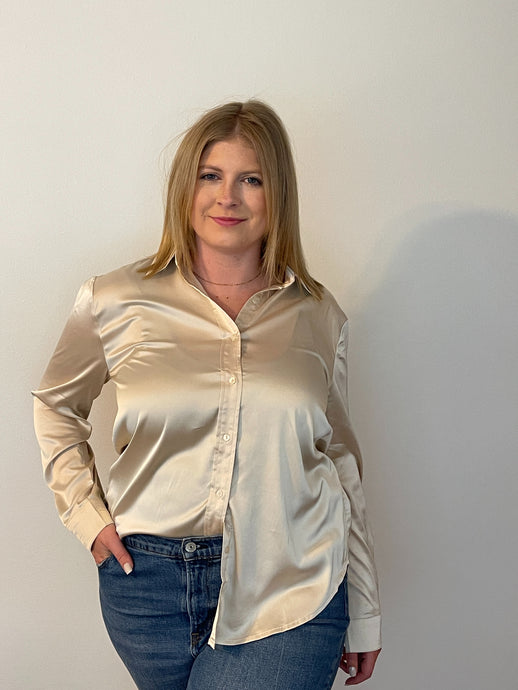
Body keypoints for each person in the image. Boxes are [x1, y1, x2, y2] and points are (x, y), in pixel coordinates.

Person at [33, 100, 381, 689]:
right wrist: (88, 517)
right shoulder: (114, 300)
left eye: (252, 179)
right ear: (185, 186)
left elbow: (341, 464)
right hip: (147, 588)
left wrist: (366, 609)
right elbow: (56, 406)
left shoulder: (319, 316)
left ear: (278, 195)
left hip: (290, 581)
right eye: (210, 176)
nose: (229, 197)